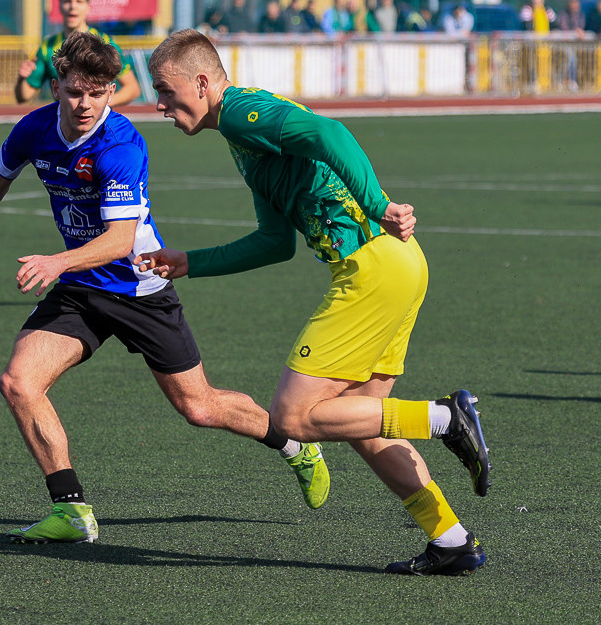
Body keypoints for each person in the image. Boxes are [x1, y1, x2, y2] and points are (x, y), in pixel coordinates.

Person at [0, 31, 330, 544]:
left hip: (139, 285)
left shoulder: (121, 145)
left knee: (198, 407)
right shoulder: (34, 129)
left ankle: (292, 444)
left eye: (98, 92)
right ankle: (71, 511)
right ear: (56, 86)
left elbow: (120, 239)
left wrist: (56, 260)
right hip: (80, 286)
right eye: (74, 91)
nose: (85, 104)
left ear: (112, 91)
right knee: (19, 382)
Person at [141, 29, 492, 576]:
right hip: (399, 265)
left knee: (293, 416)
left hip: (372, 268)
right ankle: (451, 541)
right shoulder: (242, 141)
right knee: (362, 426)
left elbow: (330, 132)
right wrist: (192, 260)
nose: (158, 104)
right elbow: (274, 242)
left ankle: (448, 417)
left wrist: (377, 204)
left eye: (164, 89)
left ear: (203, 82)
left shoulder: (241, 112)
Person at [14, 0, 140, 107]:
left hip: (96, 123)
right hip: (64, 124)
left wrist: (97, 104)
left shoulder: (104, 43)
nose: (72, 6)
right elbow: (24, 96)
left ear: (88, 6)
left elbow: (132, 89)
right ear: (60, 5)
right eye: (67, 1)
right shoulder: (48, 46)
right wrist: (22, 78)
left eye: (79, 1)